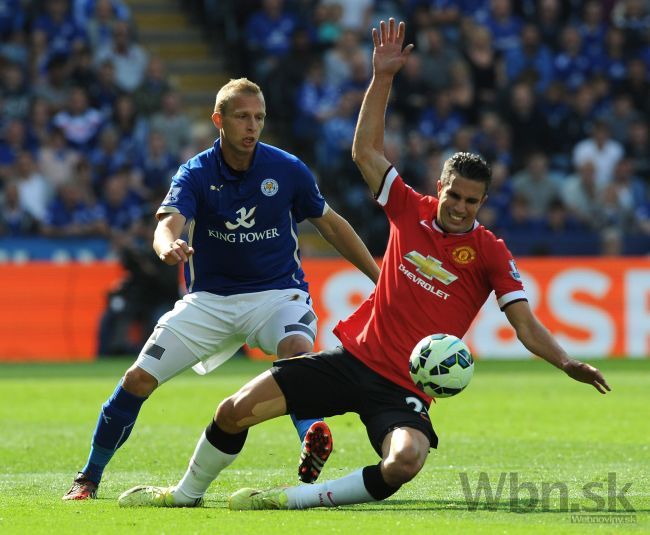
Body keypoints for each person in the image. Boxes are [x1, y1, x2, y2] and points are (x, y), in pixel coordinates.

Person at [117, 19, 610, 511]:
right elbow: (365, 152)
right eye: (454, 195)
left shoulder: (489, 252)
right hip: (351, 361)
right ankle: (184, 497)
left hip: (402, 389)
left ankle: (292, 500)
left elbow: (523, 324)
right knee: (231, 412)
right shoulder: (408, 209)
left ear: (483, 202)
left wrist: (565, 362)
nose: (460, 207)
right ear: (440, 188)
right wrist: (383, 77)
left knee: (405, 461)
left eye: (472, 201)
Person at [62, 77, 380, 500]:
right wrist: (167, 246)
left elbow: (333, 225)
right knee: (137, 379)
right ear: (219, 120)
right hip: (210, 302)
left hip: (278, 295)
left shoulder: (287, 169)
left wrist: (379, 276)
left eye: (259, 118)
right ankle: (88, 478)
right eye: (243, 117)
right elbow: (168, 223)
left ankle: (311, 433)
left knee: (298, 351)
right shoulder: (195, 171)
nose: (252, 126)